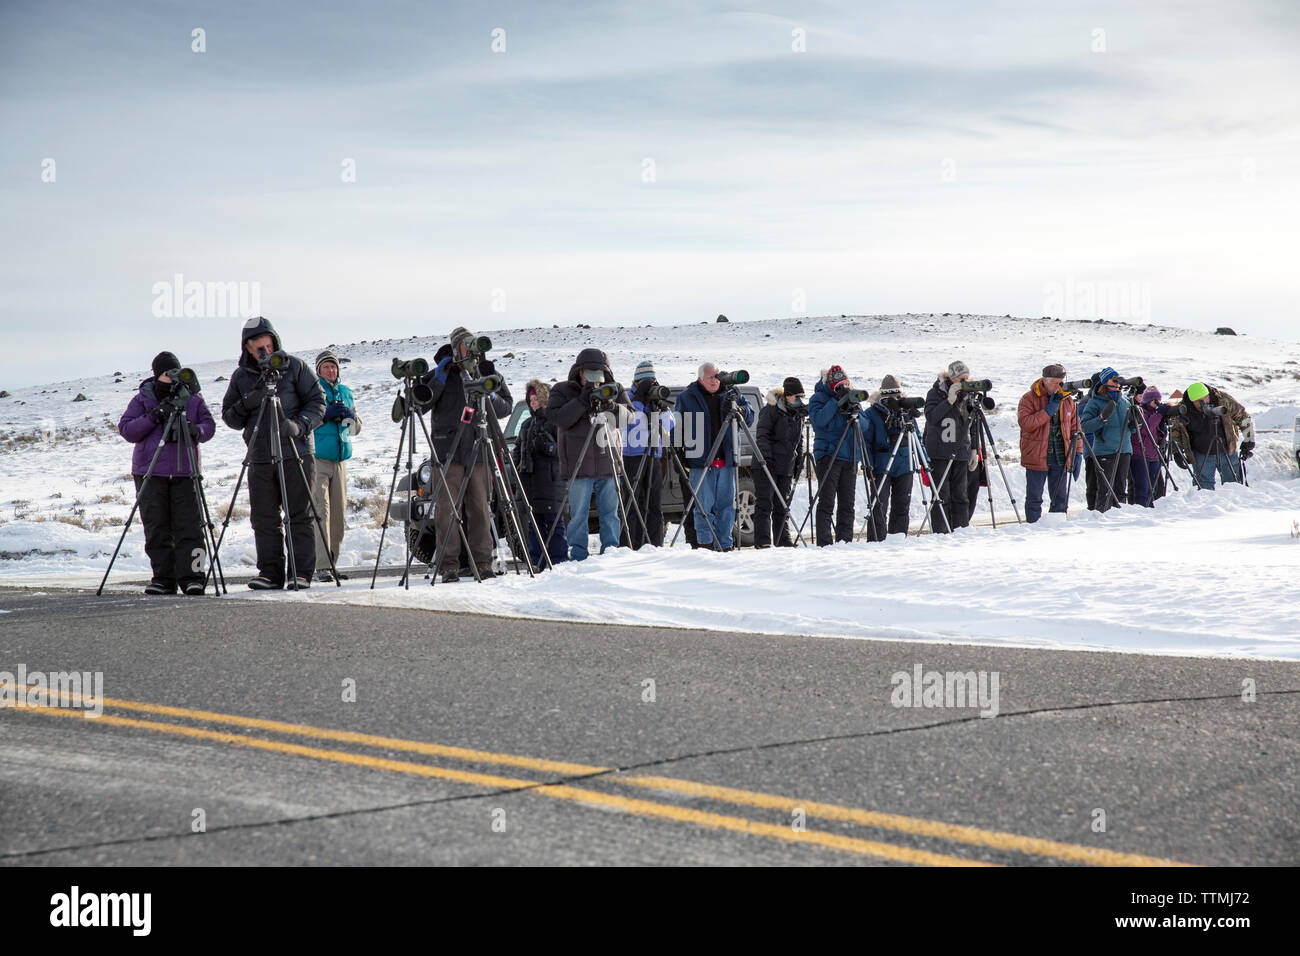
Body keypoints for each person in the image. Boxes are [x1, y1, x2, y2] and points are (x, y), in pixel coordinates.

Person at [221, 317, 326, 590]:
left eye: (269, 346)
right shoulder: (241, 377)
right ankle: (270, 573)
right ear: (247, 347)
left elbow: (318, 402)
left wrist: (299, 425)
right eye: (259, 348)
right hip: (259, 454)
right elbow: (230, 418)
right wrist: (249, 400)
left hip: (297, 451)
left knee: (299, 514)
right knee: (264, 517)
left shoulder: (295, 366)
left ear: (275, 342)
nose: (265, 353)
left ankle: (300, 573)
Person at [416, 326, 513, 582]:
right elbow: (421, 405)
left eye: (471, 343)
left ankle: (482, 563)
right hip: (447, 451)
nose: (469, 349)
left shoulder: (487, 373)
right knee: (447, 510)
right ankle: (448, 565)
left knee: (480, 508)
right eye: (464, 344)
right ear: (456, 346)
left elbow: (506, 408)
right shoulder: (441, 374)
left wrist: (488, 392)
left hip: (478, 450)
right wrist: (438, 378)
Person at [118, 351, 217, 595]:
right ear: (156, 375)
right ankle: (163, 578)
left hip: (185, 471)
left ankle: (194, 576)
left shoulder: (192, 399)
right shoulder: (143, 399)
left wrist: (196, 431)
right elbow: (127, 430)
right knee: (157, 527)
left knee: (191, 528)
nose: (171, 378)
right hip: (150, 472)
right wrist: (153, 416)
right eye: (166, 373)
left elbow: (209, 426)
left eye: (175, 372)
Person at [548, 348, 631, 560]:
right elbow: (559, 418)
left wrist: (611, 405)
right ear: (579, 372)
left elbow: (630, 418)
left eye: (598, 373)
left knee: (610, 514)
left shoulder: (614, 389)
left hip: (608, 462)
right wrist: (582, 401)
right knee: (577, 516)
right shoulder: (562, 390)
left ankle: (611, 552)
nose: (594, 378)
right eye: (589, 372)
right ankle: (578, 555)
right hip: (578, 463)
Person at [675, 361, 755, 551]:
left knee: (727, 507)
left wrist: (740, 410)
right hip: (700, 462)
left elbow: (750, 417)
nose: (715, 381)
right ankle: (706, 545)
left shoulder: (731, 393)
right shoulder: (687, 397)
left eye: (717, 376)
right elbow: (678, 426)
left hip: (726, 459)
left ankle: (725, 544)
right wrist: (679, 451)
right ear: (700, 378)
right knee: (703, 508)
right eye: (710, 377)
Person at [311, 349, 362, 582]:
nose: (331, 370)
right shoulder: (313, 393)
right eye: (326, 367)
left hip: (341, 461)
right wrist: (325, 416)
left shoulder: (346, 392)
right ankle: (320, 566)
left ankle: (331, 564)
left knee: (338, 516)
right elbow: (306, 424)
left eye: (334, 367)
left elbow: (355, 429)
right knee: (321, 511)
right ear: (319, 370)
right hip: (319, 459)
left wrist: (350, 416)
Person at [808, 365, 870, 545]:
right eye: (838, 386)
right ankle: (825, 544)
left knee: (847, 504)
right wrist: (835, 401)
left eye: (845, 385)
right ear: (830, 386)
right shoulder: (818, 398)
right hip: (828, 455)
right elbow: (819, 421)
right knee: (826, 502)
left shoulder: (852, 397)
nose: (843, 389)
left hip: (850, 456)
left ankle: (845, 542)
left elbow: (864, 426)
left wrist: (853, 405)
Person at [1017, 363, 1083, 522]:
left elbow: (1076, 428)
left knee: (1060, 499)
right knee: (1034, 498)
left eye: (1061, 382)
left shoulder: (1067, 400)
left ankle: (1057, 529)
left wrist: (1078, 452)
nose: (1059, 386)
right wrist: (1048, 410)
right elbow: (1026, 423)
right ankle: (1033, 528)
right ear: (1044, 380)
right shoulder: (1029, 398)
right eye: (1055, 382)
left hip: (1060, 456)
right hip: (1036, 456)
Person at [514, 380, 568, 571]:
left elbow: (564, 450)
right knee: (533, 526)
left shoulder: (555, 422)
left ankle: (560, 562)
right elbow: (518, 449)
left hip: (552, 483)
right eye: (531, 399)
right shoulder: (527, 424)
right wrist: (517, 462)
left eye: (537, 398)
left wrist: (547, 447)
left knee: (554, 525)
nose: (533, 402)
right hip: (531, 483)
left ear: (545, 399)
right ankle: (536, 562)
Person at [622, 360, 675, 549]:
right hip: (631, 456)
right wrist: (639, 401)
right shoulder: (627, 396)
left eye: (652, 380)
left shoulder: (657, 398)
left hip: (654, 455)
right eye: (644, 380)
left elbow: (670, 425)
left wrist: (659, 408)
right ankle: (631, 545)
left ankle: (655, 545)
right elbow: (627, 422)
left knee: (654, 504)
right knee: (633, 502)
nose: (649, 384)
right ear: (636, 381)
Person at [1169, 382, 1256, 490]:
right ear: (1191, 402)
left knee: (1235, 486)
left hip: (1227, 450)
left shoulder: (1222, 400)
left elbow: (1242, 416)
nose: (1203, 402)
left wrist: (1249, 439)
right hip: (1201, 453)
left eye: (1205, 398)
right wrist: (1176, 452)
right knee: (1203, 490)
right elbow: (1174, 431)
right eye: (1198, 401)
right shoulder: (1183, 409)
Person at [922, 361, 974, 533]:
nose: (963, 382)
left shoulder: (968, 395)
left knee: (961, 495)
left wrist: (975, 448)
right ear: (951, 378)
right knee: (941, 495)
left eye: (966, 379)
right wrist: (949, 401)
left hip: (961, 451)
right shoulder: (936, 392)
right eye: (960, 379)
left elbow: (973, 423)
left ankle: (961, 529)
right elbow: (931, 417)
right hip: (940, 452)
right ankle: (940, 532)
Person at [862, 375, 915, 540]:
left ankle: (898, 539)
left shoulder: (905, 411)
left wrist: (922, 459)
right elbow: (866, 443)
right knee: (879, 506)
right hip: (881, 466)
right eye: (889, 396)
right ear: (882, 395)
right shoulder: (871, 413)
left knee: (902, 506)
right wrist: (868, 467)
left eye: (897, 395)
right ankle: (877, 541)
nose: (894, 399)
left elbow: (916, 436)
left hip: (904, 464)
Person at [754, 377, 805, 548]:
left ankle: (783, 541)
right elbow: (762, 435)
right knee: (765, 503)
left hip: (786, 465)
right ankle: (763, 541)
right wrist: (766, 460)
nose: (799, 400)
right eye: (797, 396)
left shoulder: (797, 415)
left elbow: (799, 441)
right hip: (767, 464)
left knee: (783, 505)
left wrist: (799, 463)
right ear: (788, 395)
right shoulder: (771, 410)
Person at [1079, 367, 1136, 513]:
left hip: (1124, 450)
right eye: (1113, 379)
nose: (1117, 383)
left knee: (1120, 489)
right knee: (1105, 491)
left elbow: (1131, 429)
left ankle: (1119, 519)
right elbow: (1084, 426)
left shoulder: (1124, 402)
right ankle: (1101, 519)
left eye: (1118, 379)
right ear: (1105, 382)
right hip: (1104, 451)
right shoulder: (1095, 402)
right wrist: (1101, 419)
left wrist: (1136, 424)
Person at [1130, 386, 1177, 507]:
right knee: (1142, 489)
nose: (1157, 403)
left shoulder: (1156, 414)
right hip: (1140, 455)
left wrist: (1163, 420)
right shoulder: (1140, 412)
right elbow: (1146, 429)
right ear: (1148, 401)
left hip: (1153, 455)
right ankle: (1141, 512)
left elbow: (1160, 434)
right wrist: (1159, 415)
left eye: (1158, 400)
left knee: (1153, 489)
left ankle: (1151, 512)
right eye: (1154, 400)